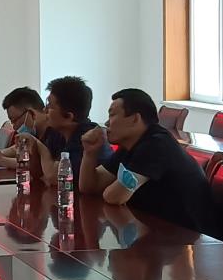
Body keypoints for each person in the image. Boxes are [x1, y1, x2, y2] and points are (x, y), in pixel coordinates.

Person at [77, 88, 214, 234]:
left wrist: (110, 189)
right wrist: (90, 153)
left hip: (186, 236)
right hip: (156, 228)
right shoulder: (130, 144)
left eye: (112, 115)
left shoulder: (157, 145)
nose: (106, 122)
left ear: (135, 119)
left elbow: (115, 197)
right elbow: (90, 186)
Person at [19, 77, 111, 186]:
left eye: (50, 106)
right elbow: (39, 172)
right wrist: (33, 146)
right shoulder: (57, 133)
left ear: (68, 116)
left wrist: (39, 145)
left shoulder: (87, 138)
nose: (45, 110)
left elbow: (54, 177)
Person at [0, 87, 47, 170]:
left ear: (31, 113)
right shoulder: (35, 131)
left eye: (15, 120)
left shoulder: (54, 133)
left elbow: (38, 166)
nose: (14, 127)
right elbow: (18, 148)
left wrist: (2, 160)